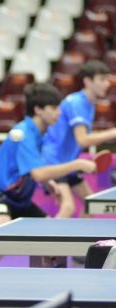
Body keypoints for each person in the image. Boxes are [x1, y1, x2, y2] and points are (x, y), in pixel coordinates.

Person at [0, 83, 96, 267]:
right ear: (39, 109)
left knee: (52, 241)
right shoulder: (23, 133)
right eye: (54, 108)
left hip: (20, 200)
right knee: (1, 239)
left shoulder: (40, 132)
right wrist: (77, 164)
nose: (59, 112)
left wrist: (49, 182)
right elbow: (38, 173)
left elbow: (31, 168)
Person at [42, 60, 116, 219]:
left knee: (91, 205)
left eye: (107, 79)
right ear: (88, 81)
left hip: (68, 162)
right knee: (68, 207)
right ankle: (47, 243)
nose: (107, 84)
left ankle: (80, 242)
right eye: (102, 79)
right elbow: (82, 140)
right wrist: (113, 133)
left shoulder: (90, 103)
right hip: (53, 161)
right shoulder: (76, 102)